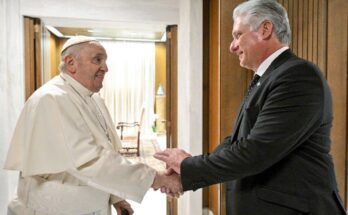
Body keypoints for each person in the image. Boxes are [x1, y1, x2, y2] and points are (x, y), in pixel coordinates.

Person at [154, 0, 347, 214]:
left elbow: (257, 151)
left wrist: (189, 166)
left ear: (265, 29)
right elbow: (236, 143)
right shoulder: (270, 77)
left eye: (238, 35)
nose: (232, 46)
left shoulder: (297, 76)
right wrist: (188, 173)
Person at [4, 36, 182, 215]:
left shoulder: (94, 98)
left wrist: (115, 197)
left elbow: (106, 153)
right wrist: (158, 179)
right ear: (71, 63)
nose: (105, 68)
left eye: (105, 61)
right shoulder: (51, 98)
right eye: (97, 60)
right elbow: (88, 161)